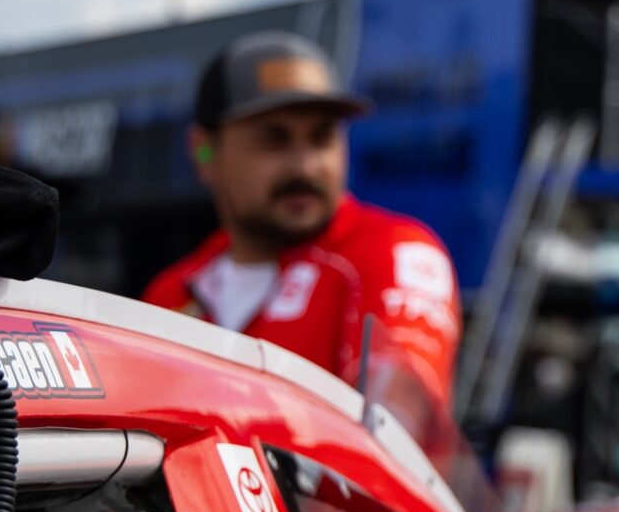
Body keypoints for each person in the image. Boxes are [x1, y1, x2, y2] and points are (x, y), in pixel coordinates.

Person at [143, 32, 461, 404]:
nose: (306, 166)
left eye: (322, 138)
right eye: (274, 140)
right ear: (204, 152)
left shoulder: (393, 252)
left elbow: (398, 425)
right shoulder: (170, 295)